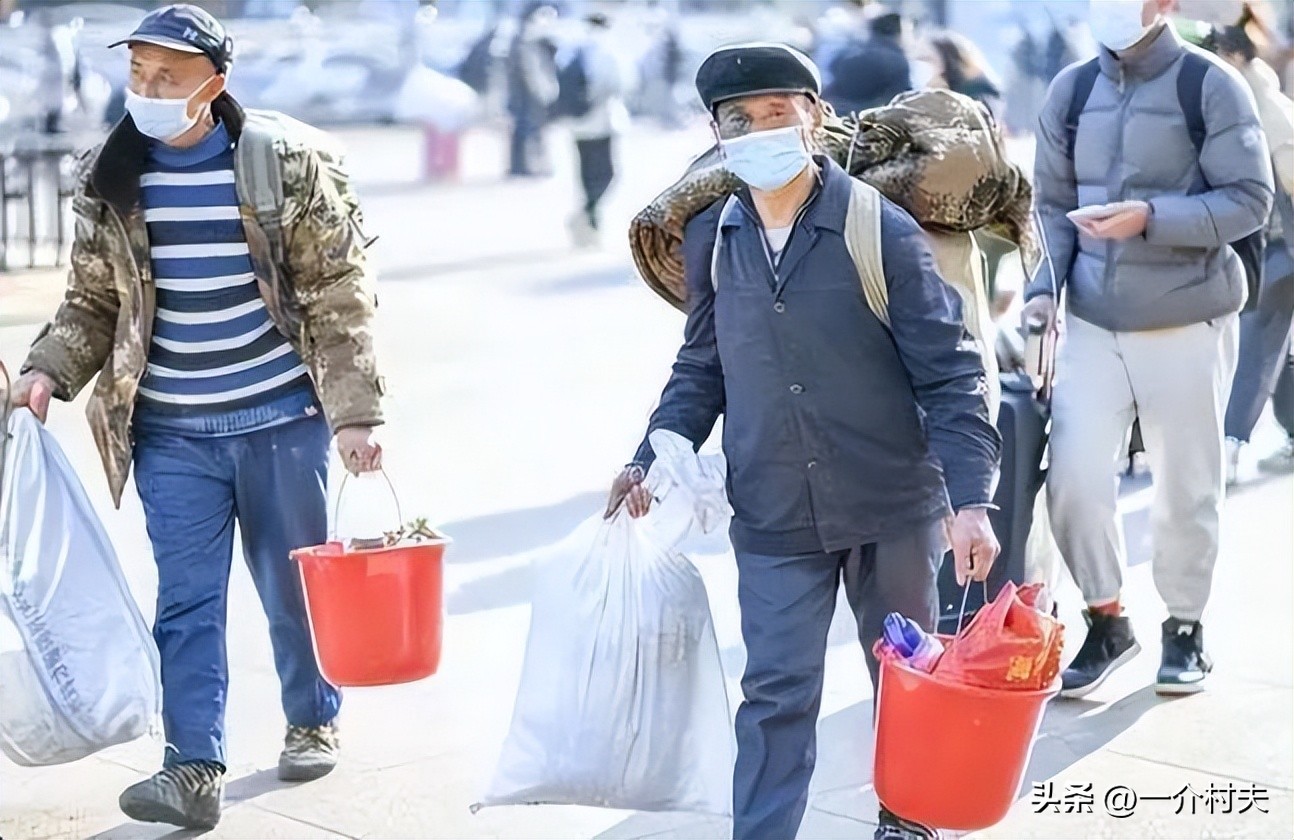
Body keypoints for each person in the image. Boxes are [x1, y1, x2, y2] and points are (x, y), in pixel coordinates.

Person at [606, 43, 1002, 840]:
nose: (759, 131)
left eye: (777, 112)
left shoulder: (877, 229)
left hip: (888, 502)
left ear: (815, 116)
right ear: (717, 134)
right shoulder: (715, 235)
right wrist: (648, 454)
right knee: (777, 690)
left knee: (902, 674)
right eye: (739, 120)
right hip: (775, 507)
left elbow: (951, 374)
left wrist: (971, 502)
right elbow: (702, 366)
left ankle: (908, 816)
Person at [8, 4, 386, 829]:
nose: (147, 90)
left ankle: (311, 714)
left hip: (280, 417)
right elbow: (93, 299)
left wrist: (354, 414)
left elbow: (338, 294)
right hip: (171, 430)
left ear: (213, 85)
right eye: (137, 73)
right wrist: (45, 369)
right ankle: (192, 768)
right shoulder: (107, 174)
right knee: (184, 601)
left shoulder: (283, 163)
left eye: (167, 77)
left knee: (292, 584)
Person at [1022, 0, 1273, 698]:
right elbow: (1050, 202)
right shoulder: (1070, 89)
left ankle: (1185, 626)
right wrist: (1044, 286)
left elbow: (1251, 200)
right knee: (1071, 479)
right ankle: (1106, 619)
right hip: (1094, 322)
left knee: (1185, 487)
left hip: (1188, 317)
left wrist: (1150, 220)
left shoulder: (1210, 83)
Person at [1209, 15, 1294, 483]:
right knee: (1275, 350)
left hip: (1278, 245)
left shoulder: (1261, 98)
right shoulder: (1247, 95)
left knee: (1259, 346)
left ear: (1238, 56)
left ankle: (1232, 446)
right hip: (1263, 247)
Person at [560, 12, 628, 247]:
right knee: (608, 174)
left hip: (578, 124)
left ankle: (589, 222)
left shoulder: (572, 48)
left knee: (586, 175)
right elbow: (619, 84)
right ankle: (588, 214)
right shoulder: (606, 50)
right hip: (601, 122)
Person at [506, 2, 560, 177]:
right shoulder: (526, 42)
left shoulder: (531, 41)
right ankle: (528, 166)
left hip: (529, 95)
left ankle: (526, 166)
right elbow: (532, 72)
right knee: (528, 130)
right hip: (528, 95)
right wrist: (545, 90)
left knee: (528, 130)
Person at [824, 9, 912, 115]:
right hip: (872, 121)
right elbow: (901, 102)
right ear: (899, 33)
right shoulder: (897, 62)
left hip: (837, 113)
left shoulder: (849, 53)